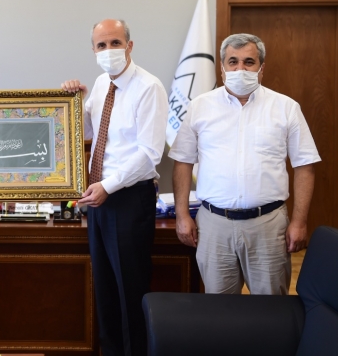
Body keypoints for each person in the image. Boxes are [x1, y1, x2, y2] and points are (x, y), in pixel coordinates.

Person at [169, 33, 320, 295]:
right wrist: (182, 215)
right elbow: (182, 163)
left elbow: (305, 166)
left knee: (271, 310)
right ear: (222, 68)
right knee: (220, 310)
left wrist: (299, 221)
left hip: (268, 225)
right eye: (233, 62)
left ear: (262, 68)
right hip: (213, 226)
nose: (240, 69)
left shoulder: (286, 107)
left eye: (249, 62)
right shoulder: (200, 107)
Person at [61, 19, 168, 356]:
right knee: (105, 289)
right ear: (93, 50)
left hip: (128, 198)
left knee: (130, 292)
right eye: (101, 45)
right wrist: (73, 102)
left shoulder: (149, 87)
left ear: (130, 46)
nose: (109, 50)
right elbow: (87, 132)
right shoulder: (100, 83)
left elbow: (149, 154)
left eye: (115, 43)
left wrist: (107, 186)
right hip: (99, 199)